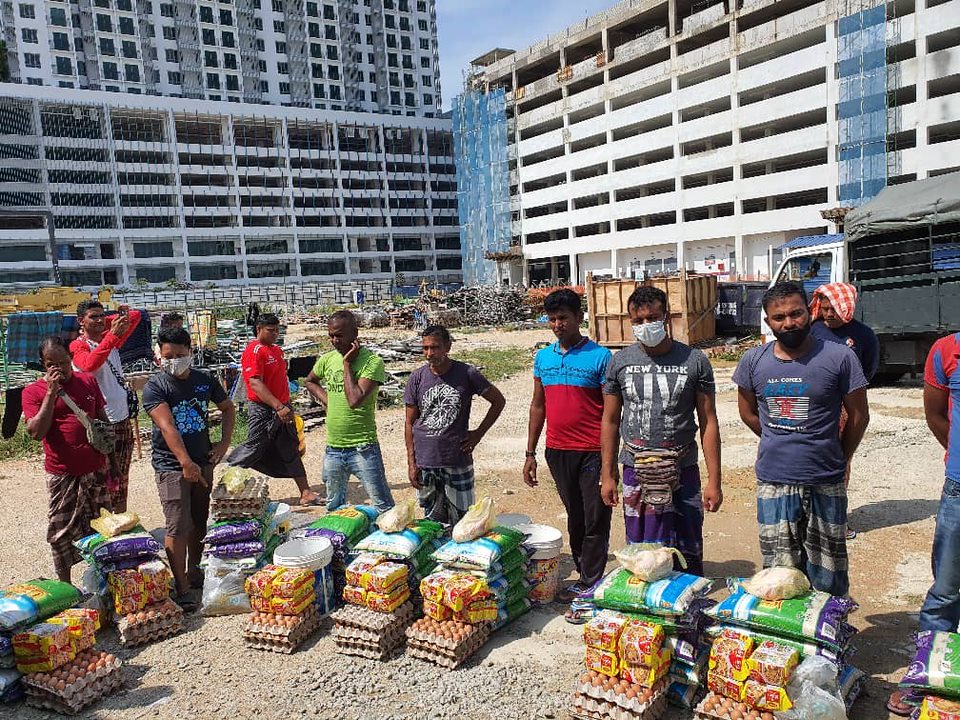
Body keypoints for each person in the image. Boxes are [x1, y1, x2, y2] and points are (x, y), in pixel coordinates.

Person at [733, 282, 869, 597]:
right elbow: (748, 413)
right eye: (779, 317)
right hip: (774, 481)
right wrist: (777, 437)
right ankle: (787, 641)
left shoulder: (840, 357)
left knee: (829, 572)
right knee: (779, 575)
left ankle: (827, 635)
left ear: (810, 312)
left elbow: (859, 416)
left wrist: (838, 454)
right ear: (768, 322)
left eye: (795, 313)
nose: (788, 322)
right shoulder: (753, 361)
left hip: (826, 479)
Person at [600, 286, 723, 576]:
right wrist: (607, 475)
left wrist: (714, 481)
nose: (645, 325)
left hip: (683, 469)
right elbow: (610, 420)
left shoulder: (694, 361)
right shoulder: (619, 362)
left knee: (688, 544)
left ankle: (686, 602)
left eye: (652, 317)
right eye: (638, 320)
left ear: (666, 317)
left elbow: (708, 421)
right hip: (635, 468)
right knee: (643, 551)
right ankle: (648, 609)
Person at [523, 288, 612, 617]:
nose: (558, 324)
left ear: (579, 318)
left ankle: (592, 584)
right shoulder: (543, 358)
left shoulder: (601, 357)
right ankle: (585, 576)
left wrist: (609, 460)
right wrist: (530, 452)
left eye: (564, 318)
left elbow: (610, 413)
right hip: (557, 451)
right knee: (575, 516)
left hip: (592, 451)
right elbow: (537, 405)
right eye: (552, 319)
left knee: (595, 519)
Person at [887, 331, 960, 716]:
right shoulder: (947, 351)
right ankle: (925, 679)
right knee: (946, 590)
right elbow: (936, 416)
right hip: (959, 489)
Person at [142, 327, 235, 603]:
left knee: (198, 521)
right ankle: (181, 588)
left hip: (203, 461)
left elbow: (228, 408)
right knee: (177, 525)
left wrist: (222, 445)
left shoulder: (204, 381)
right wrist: (185, 462)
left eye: (179, 355)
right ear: (160, 355)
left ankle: (195, 572)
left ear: (190, 353)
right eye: (167, 355)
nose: (173, 360)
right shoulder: (156, 386)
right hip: (171, 465)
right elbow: (167, 426)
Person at [23, 337, 112, 582]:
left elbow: (102, 422)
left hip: (95, 470)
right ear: (43, 364)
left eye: (63, 362)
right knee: (61, 532)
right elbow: (35, 432)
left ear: (71, 359)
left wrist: (111, 464)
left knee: (102, 527)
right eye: (52, 364)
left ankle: (105, 581)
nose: (59, 368)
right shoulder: (33, 392)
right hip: (63, 474)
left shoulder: (87, 381)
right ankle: (66, 586)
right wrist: (51, 394)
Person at [404, 325, 505, 525]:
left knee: (464, 521)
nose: (429, 353)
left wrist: (478, 434)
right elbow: (409, 422)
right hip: (427, 460)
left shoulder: (467, 373)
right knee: (432, 523)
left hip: (456, 458)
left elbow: (498, 401)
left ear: (448, 347)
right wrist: (411, 462)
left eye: (435, 347)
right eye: (425, 348)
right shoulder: (417, 377)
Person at [809, 281, 880, 540]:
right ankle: (811, 519)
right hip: (815, 405)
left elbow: (869, 369)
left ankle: (836, 520)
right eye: (825, 308)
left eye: (834, 310)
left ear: (847, 308)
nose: (828, 314)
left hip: (846, 407)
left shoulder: (863, 335)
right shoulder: (812, 330)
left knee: (840, 461)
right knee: (812, 457)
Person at [225, 313, 320, 506]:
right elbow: (255, 383)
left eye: (277, 330)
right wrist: (276, 405)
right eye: (271, 330)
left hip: (283, 407)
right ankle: (228, 478)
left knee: (290, 447)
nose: (275, 334)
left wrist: (284, 406)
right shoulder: (254, 351)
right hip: (264, 408)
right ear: (259, 329)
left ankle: (306, 492)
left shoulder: (276, 350)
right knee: (255, 445)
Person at [305, 310, 395, 512]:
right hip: (333, 448)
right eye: (331, 336)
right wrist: (328, 400)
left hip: (363, 448)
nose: (334, 340)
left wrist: (347, 364)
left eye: (339, 335)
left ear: (355, 333)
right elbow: (310, 381)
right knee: (334, 507)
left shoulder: (372, 362)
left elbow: (354, 400)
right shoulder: (327, 359)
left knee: (383, 507)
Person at [70, 300, 142, 512]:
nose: (100, 320)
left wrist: (118, 317)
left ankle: (119, 517)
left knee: (122, 474)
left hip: (121, 418)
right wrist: (111, 334)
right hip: (101, 422)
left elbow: (135, 316)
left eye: (102, 315)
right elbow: (89, 365)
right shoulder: (79, 345)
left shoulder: (109, 340)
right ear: (80, 321)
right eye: (93, 317)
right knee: (102, 475)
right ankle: (101, 519)